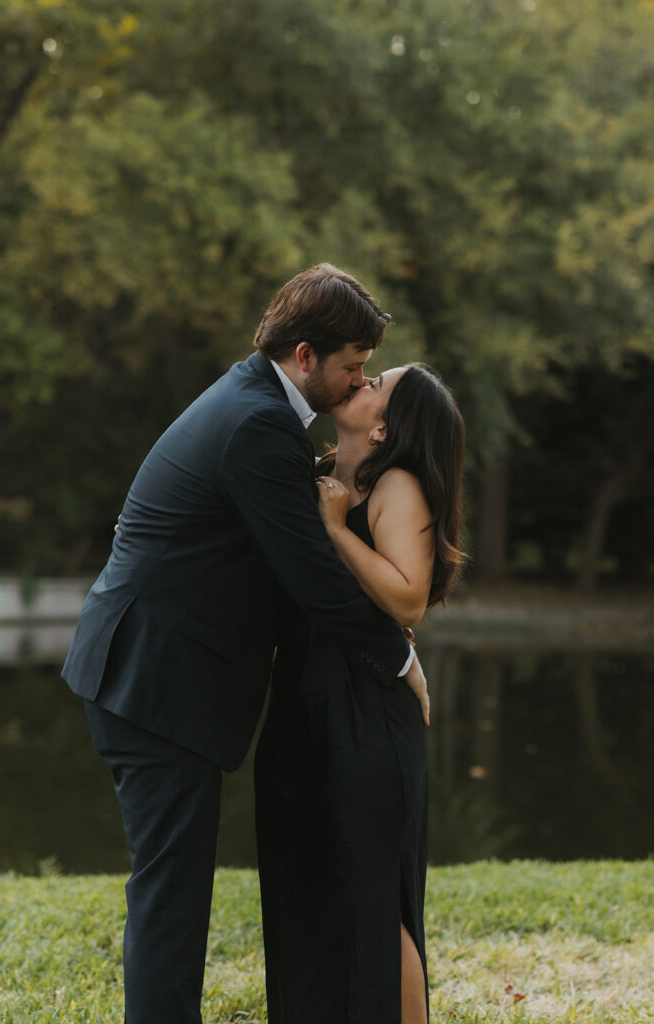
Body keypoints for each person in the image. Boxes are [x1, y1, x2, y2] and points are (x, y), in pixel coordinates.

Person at [61, 263, 430, 1024]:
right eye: (351, 367)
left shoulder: (253, 405)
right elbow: (311, 577)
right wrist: (398, 656)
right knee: (170, 897)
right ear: (304, 357)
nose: (356, 382)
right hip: (153, 680)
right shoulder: (257, 424)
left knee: (170, 890)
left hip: (151, 674)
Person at [255, 363, 466, 1024]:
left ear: (384, 427)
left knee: (372, 899)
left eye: (377, 381)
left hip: (366, 715)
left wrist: (338, 530)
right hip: (301, 704)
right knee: (309, 886)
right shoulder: (320, 472)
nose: (360, 378)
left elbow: (408, 595)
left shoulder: (393, 484)